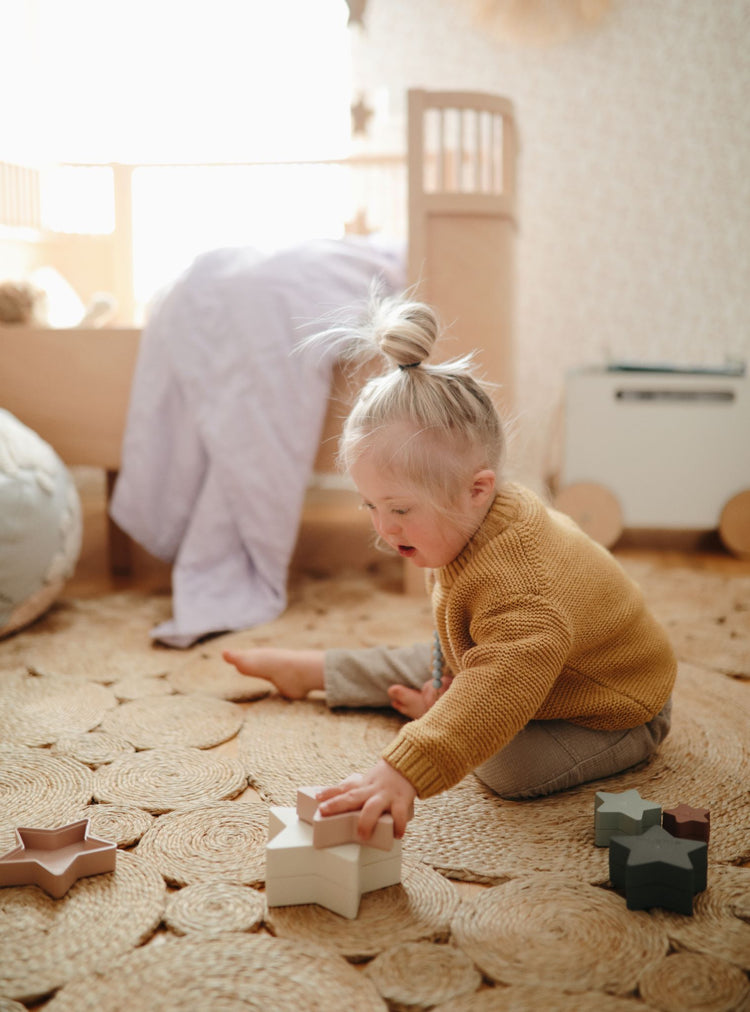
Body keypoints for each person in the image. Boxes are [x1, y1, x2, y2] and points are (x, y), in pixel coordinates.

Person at [223, 294, 677, 844]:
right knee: (449, 657)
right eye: (371, 506)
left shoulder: (521, 586)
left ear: (476, 490)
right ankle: (320, 670)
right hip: (538, 656)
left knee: (505, 764)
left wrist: (406, 767)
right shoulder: (461, 523)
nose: (383, 529)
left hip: (613, 705)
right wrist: (451, 686)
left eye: (399, 510)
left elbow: (500, 679)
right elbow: (461, 634)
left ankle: (438, 704)